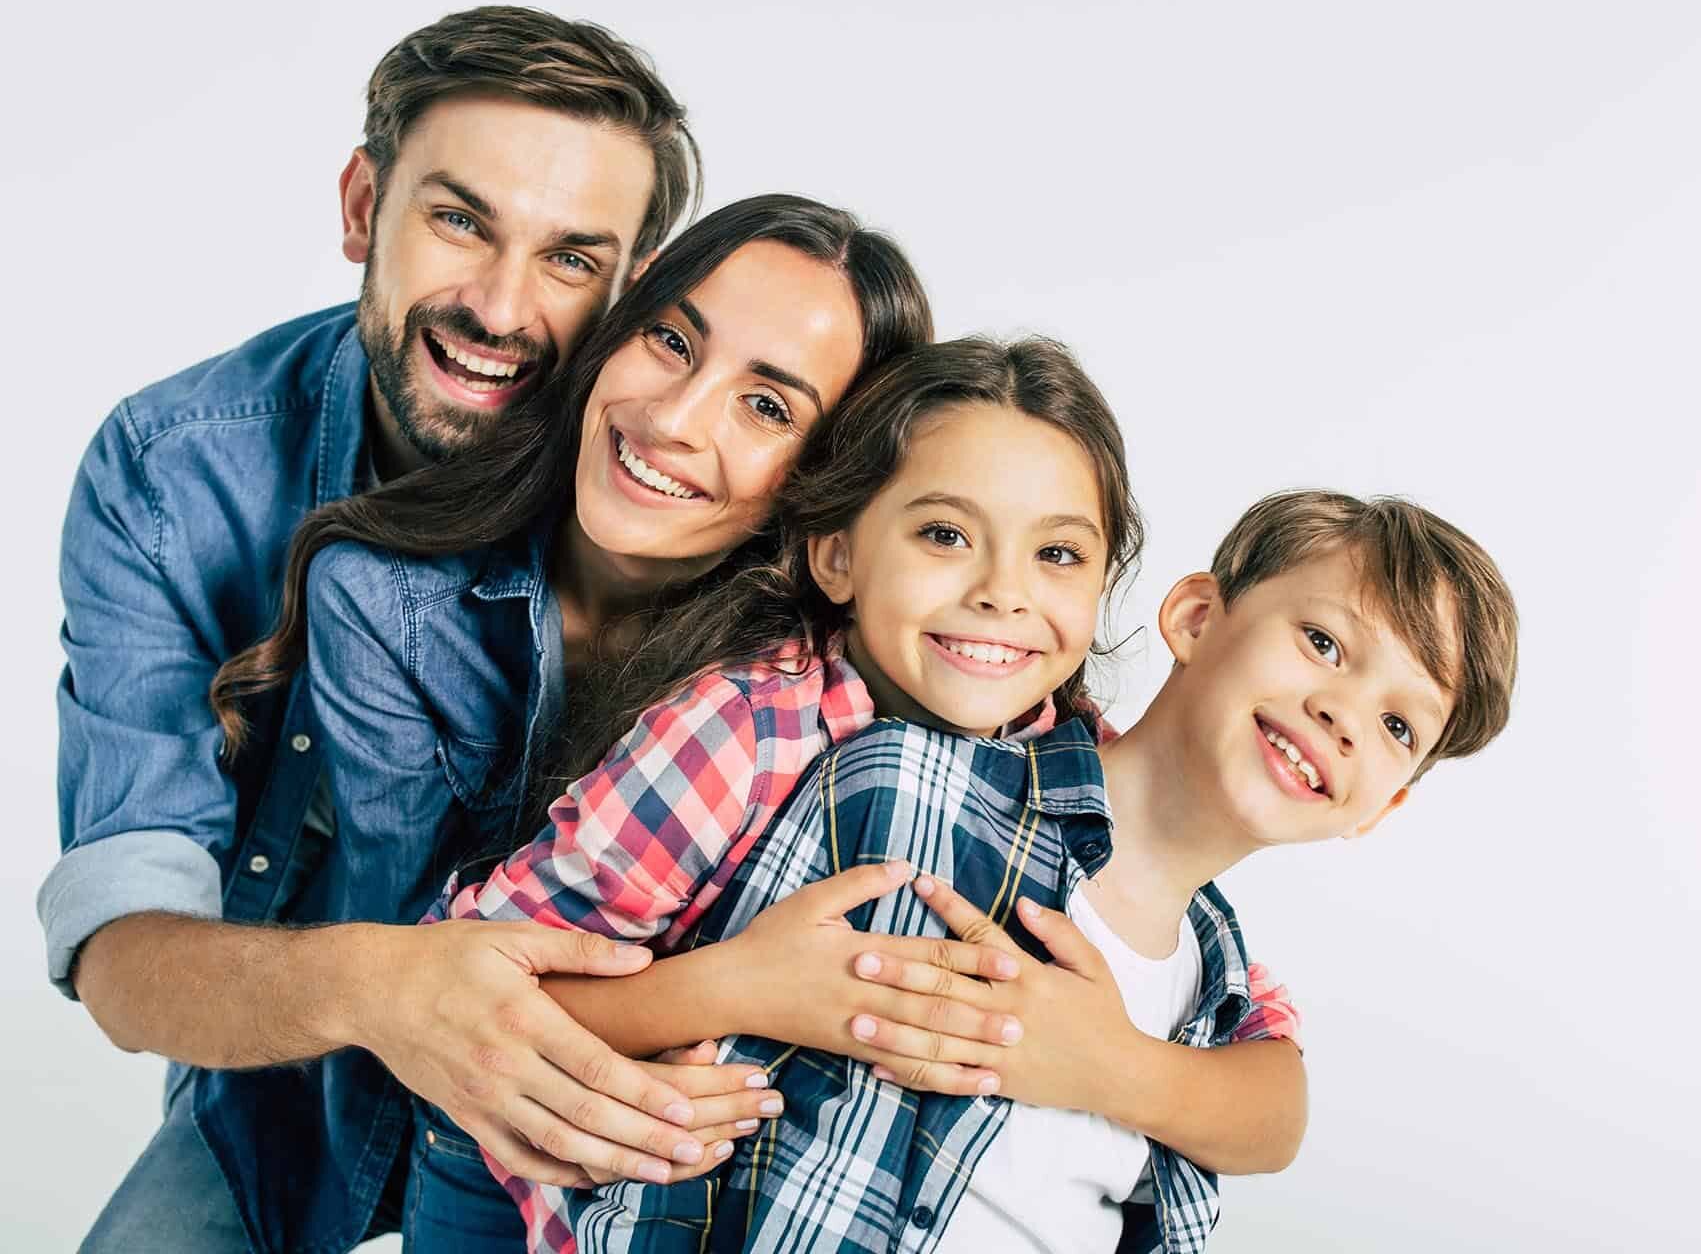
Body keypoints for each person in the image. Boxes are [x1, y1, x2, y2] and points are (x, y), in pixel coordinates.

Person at [211, 193, 1035, 1251]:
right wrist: (724, 991)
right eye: (672, 339)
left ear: (835, 484)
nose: (677, 418)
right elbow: (439, 988)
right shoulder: (386, 603)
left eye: (768, 407)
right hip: (381, 1098)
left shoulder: (829, 669)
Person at [433, 339, 1339, 1250]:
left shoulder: (1077, 767)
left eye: (1057, 553)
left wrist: (1114, 1067)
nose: (1001, 594)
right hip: (511, 1182)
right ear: (838, 557)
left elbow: (1271, 1097)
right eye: (945, 535)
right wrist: (730, 989)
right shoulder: (749, 731)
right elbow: (473, 998)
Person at [42, 5, 704, 1253]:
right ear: (363, 206)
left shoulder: (675, 488)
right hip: (285, 1089)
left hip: (599, 1108)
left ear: (628, 291)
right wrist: (391, 990)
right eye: (460, 220)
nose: (502, 309)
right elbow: (126, 952)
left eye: (571, 259)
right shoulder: (172, 474)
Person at [507, 487, 1519, 1252]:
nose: (1344, 712)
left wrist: (1111, 1065)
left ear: (1383, 807)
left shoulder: (1217, 994)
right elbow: (637, 1089)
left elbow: (1275, 1120)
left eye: (1397, 722)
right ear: (1197, 618)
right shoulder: (906, 788)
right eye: (1322, 640)